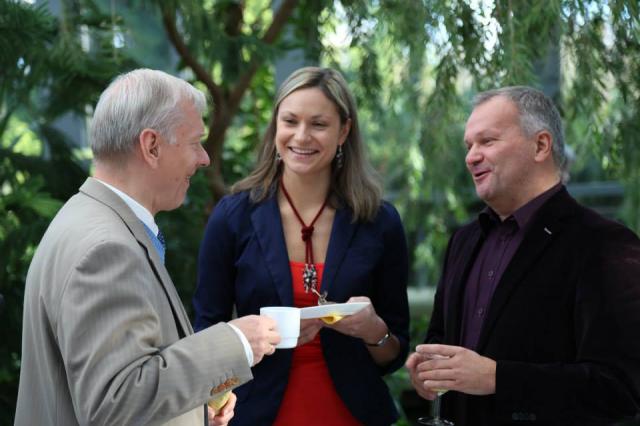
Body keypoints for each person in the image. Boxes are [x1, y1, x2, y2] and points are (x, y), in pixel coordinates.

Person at [14, 68, 281, 426]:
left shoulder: (89, 221)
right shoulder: (107, 249)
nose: (204, 158)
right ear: (151, 145)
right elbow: (116, 403)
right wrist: (235, 343)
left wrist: (194, 414)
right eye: (194, 142)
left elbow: (125, 378)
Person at [406, 86, 640, 425]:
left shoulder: (604, 244)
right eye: (468, 145)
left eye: (487, 141)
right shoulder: (464, 241)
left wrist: (496, 377)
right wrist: (428, 370)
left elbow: (619, 388)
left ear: (541, 145)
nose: (471, 156)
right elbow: (441, 340)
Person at [193, 67, 410, 425]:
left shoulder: (380, 222)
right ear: (275, 127)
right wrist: (252, 342)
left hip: (354, 415)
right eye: (290, 121)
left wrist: (374, 331)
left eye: (319, 124)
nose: (301, 136)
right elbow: (205, 338)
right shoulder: (233, 216)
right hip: (254, 415)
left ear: (344, 131)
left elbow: (393, 355)